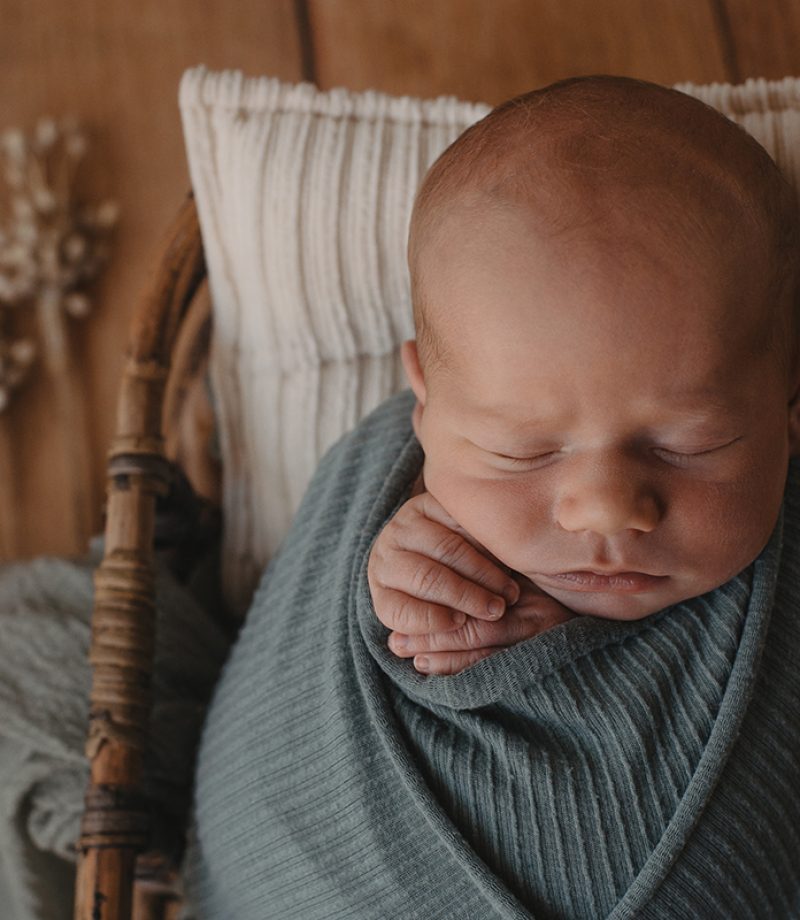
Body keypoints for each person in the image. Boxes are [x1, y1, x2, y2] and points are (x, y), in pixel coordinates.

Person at [185, 76, 800, 919]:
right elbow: (295, 695)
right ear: (426, 405)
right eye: (523, 451)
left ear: (786, 406)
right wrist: (391, 588)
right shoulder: (398, 484)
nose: (608, 509)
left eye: (685, 445)